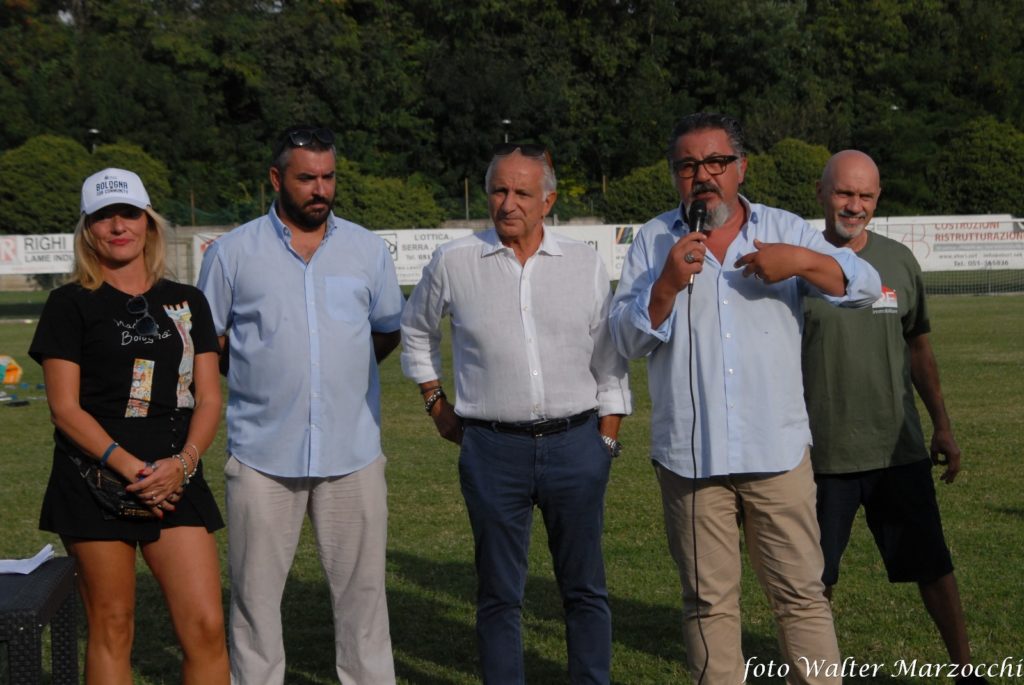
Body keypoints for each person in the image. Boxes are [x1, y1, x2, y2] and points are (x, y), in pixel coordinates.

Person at [609, 113, 882, 685]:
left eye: (716, 162)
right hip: (690, 458)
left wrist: (800, 261)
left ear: (741, 168)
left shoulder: (784, 229)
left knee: (801, 597)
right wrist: (664, 286)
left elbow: (862, 288)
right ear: (674, 175)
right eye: (688, 166)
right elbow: (626, 342)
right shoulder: (654, 239)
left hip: (776, 452)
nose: (703, 176)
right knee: (707, 604)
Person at [400, 143, 631, 684]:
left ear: (547, 200)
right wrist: (435, 403)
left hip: (577, 445)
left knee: (585, 589)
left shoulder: (582, 263)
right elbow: (415, 330)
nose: (508, 203)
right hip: (492, 450)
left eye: (522, 193)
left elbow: (608, 356)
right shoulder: (454, 261)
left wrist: (606, 438)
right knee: (499, 594)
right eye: (499, 190)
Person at [196, 125, 402, 685]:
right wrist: (268, 380)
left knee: (364, 601)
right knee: (255, 605)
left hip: (353, 454)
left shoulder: (366, 249)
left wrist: (336, 374)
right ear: (276, 178)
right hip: (262, 454)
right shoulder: (233, 253)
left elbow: (386, 330)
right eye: (307, 178)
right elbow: (209, 344)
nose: (320, 189)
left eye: (328, 177)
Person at [29, 168, 228, 685]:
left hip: (176, 477)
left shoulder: (188, 301)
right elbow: (64, 408)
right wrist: (133, 469)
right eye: (103, 217)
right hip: (94, 480)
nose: (118, 226)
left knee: (206, 628)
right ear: (87, 229)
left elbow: (208, 397)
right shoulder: (69, 303)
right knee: (112, 627)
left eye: (129, 214)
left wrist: (182, 464)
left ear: (149, 222)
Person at [803, 150, 986, 683]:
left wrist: (942, 426)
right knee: (814, 581)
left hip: (896, 449)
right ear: (821, 193)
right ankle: (816, 674)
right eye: (844, 193)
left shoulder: (899, 260)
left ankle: (966, 671)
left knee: (933, 565)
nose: (854, 205)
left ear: (877, 198)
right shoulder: (798, 263)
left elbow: (920, 349)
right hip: (820, 455)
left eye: (865, 196)